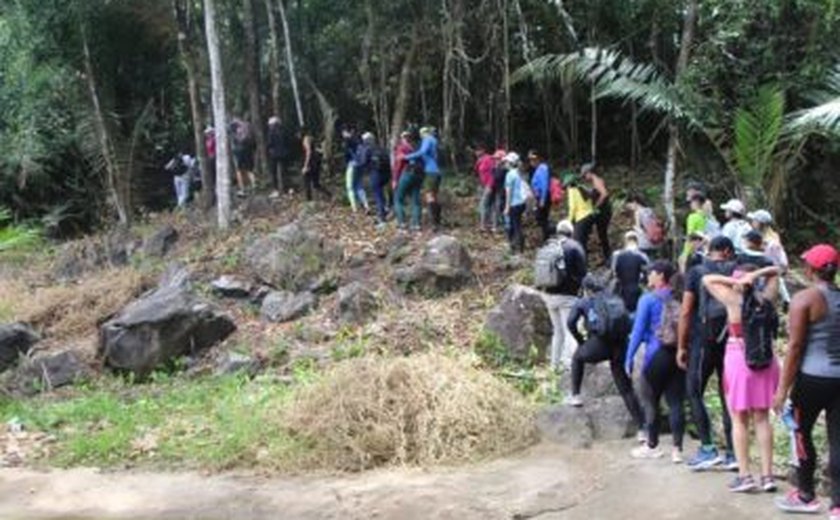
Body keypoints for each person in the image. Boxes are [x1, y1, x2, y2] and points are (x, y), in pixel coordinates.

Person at [773, 245, 840, 516]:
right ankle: (837, 506)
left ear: (811, 269)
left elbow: (796, 347)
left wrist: (781, 391)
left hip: (812, 379)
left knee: (800, 433)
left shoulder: (804, 299)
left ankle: (806, 495)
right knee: (838, 440)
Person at [703, 264, 782, 492]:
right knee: (762, 418)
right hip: (766, 359)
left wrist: (734, 282)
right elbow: (776, 270)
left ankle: (745, 476)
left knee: (739, 418)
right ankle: (767, 477)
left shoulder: (732, 299)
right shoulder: (767, 297)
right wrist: (756, 275)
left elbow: (707, 279)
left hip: (739, 358)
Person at [677, 235, 738, 471]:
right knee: (728, 396)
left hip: (704, 340)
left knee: (694, 391)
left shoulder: (697, 271)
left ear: (712, 250)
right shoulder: (737, 270)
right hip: (732, 341)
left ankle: (708, 448)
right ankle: (733, 452)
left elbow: (685, 311)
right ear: (727, 251)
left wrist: (682, 346)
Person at [566, 275, 645, 435]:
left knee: (577, 357)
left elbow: (570, 322)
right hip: (620, 345)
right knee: (626, 389)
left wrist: (580, 341)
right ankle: (643, 430)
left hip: (599, 344)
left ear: (586, 289)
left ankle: (575, 395)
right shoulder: (614, 299)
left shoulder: (584, 301)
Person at [625, 260, 686, 462]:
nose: (648, 276)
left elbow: (637, 332)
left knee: (650, 399)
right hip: (679, 352)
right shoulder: (680, 295)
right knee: (676, 401)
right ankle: (677, 449)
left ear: (660, 275)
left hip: (655, 354)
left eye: (651, 273)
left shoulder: (648, 299)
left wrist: (629, 357)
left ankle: (652, 445)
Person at [544, 219, 588, 369]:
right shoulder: (575, 247)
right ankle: (570, 366)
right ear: (571, 232)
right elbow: (583, 274)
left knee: (557, 331)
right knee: (570, 330)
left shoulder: (549, 245)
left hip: (549, 296)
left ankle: (554, 366)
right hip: (567, 296)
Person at [405, 127, 442, 231]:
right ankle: (437, 222)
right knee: (434, 196)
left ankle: (435, 224)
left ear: (423, 133)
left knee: (429, 196)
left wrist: (407, 157)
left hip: (431, 171)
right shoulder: (435, 141)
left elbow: (422, 152)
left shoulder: (427, 139)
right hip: (437, 171)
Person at [611, 231, 651, 314]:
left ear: (625, 241)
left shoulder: (617, 255)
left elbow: (614, 272)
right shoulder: (642, 256)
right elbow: (648, 273)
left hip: (622, 289)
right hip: (636, 289)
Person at [581, 163, 612, 263]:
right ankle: (606, 256)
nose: (585, 178)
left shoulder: (596, 180)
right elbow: (596, 193)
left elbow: (604, 194)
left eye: (585, 175)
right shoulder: (596, 180)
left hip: (603, 211)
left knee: (602, 234)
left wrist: (595, 207)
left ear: (589, 173)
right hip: (602, 211)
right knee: (601, 234)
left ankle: (608, 257)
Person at [393, 132, 422, 231]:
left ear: (402, 138)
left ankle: (402, 223)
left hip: (406, 174)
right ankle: (416, 224)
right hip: (418, 175)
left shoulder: (401, 148)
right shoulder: (416, 148)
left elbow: (398, 166)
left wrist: (395, 179)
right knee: (416, 201)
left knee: (398, 199)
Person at [565, 172, 596, 257]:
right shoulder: (583, 187)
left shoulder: (572, 190)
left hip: (581, 217)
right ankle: (585, 264)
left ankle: (581, 265)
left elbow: (573, 207)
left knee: (578, 243)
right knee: (584, 241)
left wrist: (569, 221)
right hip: (590, 216)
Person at [503, 153, 528, 254]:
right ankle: (518, 247)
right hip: (522, 203)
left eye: (506, 162)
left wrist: (507, 207)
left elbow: (509, 192)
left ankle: (517, 249)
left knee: (515, 226)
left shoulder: (509, 175)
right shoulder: (519, 172)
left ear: (510, 163)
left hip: (514, 204)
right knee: (517, 225)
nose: (505, 163)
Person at [626, 194, 662, 258]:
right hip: (655, 241)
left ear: (635, 202)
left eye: (630, 206)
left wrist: (634, 228)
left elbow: (640, 230)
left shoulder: (638, 213)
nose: (630, 208)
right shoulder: (649, 210)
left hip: (644, 243)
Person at [528, 150, 552, 243]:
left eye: (534, 160)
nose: (532, 162)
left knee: (542, 219)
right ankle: (547, 237)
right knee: (541, 219)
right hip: (540, 197)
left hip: (544, 197)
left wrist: (542, 199)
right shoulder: (538, 169)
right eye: (530, 160)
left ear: (538, 159)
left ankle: (550, 235)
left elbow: (544, 185)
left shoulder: (542, 168)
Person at [300, 128, 329, 202]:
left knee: (306, 182)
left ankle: (309, 200)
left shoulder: (306, 139)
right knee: (315, 183)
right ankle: (328, 194)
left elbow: (308, 152)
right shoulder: (311, 138)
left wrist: (305, 165)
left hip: (311, 163)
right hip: (316, 162)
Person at [230, 117, 256, 196]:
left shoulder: (236, 129)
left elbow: (235, 139)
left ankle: (242, 189)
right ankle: (254, 185)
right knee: (249, 169)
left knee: (239, 170)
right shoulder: (247, 127)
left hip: (239, 151)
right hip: (248, 151)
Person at [342, 126, 365, 212]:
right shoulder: (358, 139)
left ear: (346, 132)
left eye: (343, 132)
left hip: (351, 164)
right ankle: (366, 205)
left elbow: (346, 154)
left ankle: (354, 208)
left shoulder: (347, 141)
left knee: (349, 187)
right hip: (360, 164)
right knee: (359, 186)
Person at [475, 145, 496, 232]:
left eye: (478, 150)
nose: (476, 152)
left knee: (484, 204)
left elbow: (493, 172)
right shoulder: (479, 161)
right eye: (476, 151)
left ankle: (483, 225)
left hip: (489, 185)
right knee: (486, 205)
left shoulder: (488, 159)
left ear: (483, 150)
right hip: (482, 185)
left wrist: (490, 185)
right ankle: (488, 224)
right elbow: (477, 173)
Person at [266, 116, 288, 199]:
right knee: (283, 171)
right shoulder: (283, 130)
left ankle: (276, 190)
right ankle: (285, 188)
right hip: (284, 153)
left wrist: (268, 149)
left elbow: (269, 143)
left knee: (274, 172)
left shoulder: (271, 132)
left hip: (274, 154)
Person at [490, 149, 508, 232]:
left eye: (498, 159)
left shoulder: (504, 169)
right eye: (495, 159)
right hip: (497, 190)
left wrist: (494, 169)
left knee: (499, 207)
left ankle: (499, 226)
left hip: (502, 191)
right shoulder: (497, 168)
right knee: (497, 207)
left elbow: (497, 177)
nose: (496, 160)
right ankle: (498, 225)